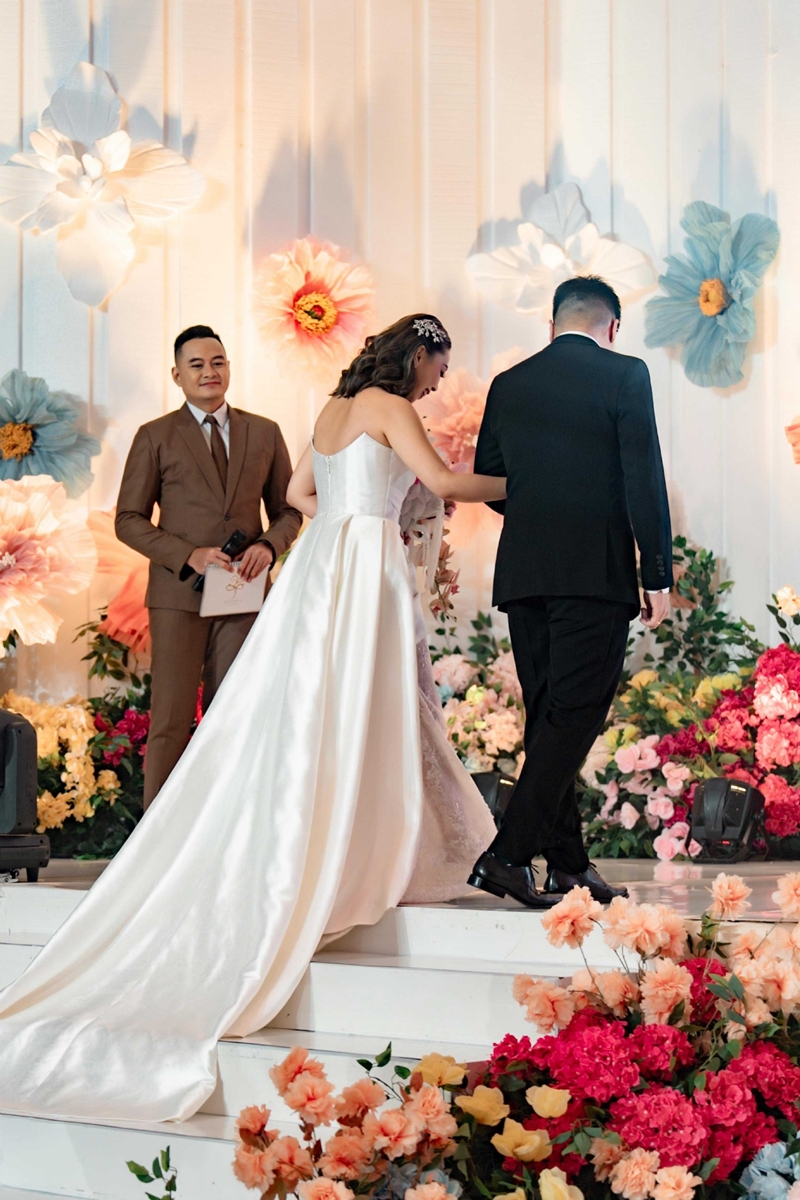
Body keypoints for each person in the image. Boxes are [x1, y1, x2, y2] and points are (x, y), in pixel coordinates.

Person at [0, 314, 513, 1124]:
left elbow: (304, 496)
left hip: (323, 563)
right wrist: (521, 483)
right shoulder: (388, 405)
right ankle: (370, 849)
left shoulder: (332, 409)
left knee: (314, 709)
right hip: (364, 564)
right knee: (373, 705)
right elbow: (446, 485)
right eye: (437, 370)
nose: (436, 384)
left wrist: (364, 508)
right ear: (416, 355)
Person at [469, 276, 673, 908]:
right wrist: (657, 573)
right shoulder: (626, 373)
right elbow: (644, 476)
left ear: (552, 324)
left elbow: (491, 479)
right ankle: (506, 857)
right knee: (573, 717)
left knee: (550, 719)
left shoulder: (509, 383)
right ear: (612, 327)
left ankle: (568, 866)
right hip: (595, 575)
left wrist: (541, 519)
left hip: (524, 574)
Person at [115, 325, 302, 808]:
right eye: (196, 364)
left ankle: (227, 826)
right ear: (177, 375)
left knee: (234, 715)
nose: (209, 372)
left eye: (217, 362)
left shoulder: (264, 431)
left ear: (229, 368)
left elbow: (289, 510)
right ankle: (158, 835)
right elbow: (128, 520)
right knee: (171, 720)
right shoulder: (155, 435)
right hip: (178, 596)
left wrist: (270, 546)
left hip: (243, 593)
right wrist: (188, 554)